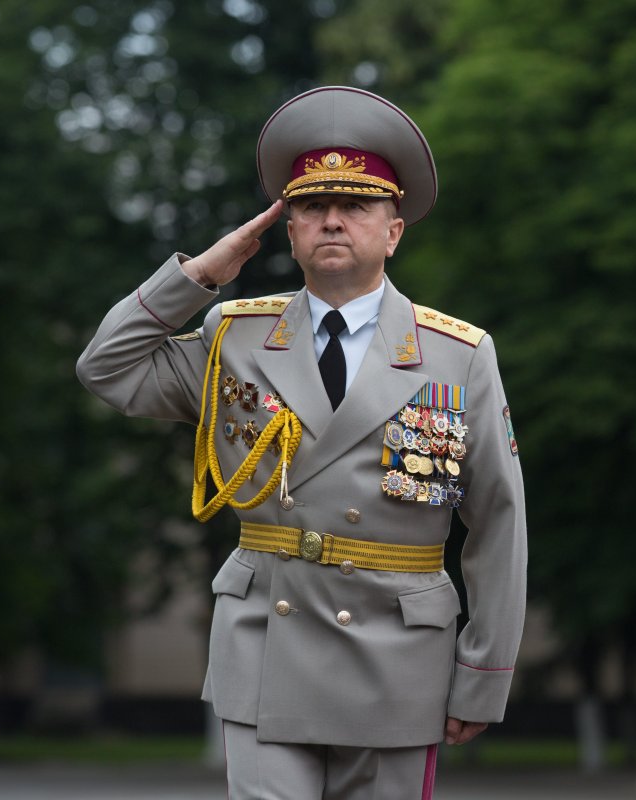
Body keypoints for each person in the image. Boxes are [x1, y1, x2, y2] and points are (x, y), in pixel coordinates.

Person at [77, 86, 526, 799]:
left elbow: (497, 520)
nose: (333, 221)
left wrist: (483, 671)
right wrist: (196, 277)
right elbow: (107, 368)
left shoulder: (456, 354)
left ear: (394, 230)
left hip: (398, 655)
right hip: (267, 641)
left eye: (356, 206)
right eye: (312, 208)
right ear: (288, 233)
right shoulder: (234, 335)